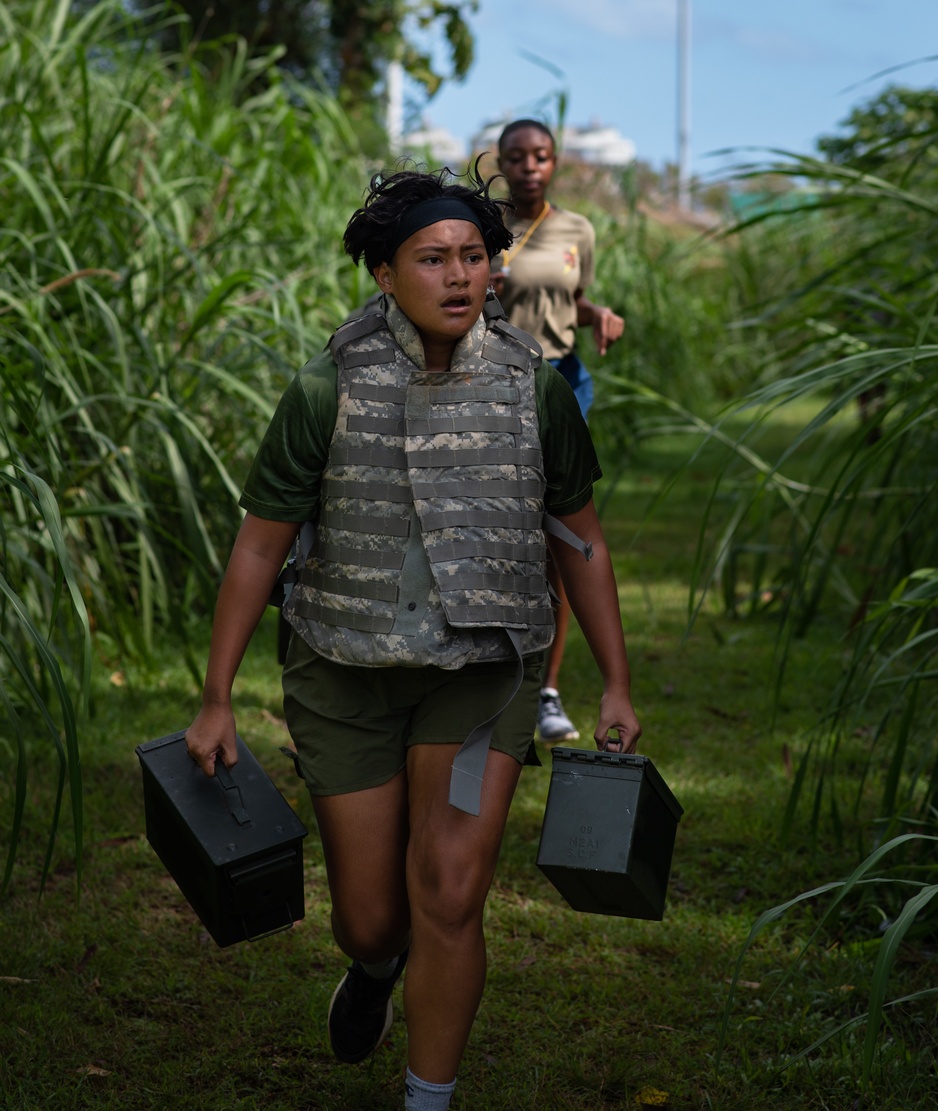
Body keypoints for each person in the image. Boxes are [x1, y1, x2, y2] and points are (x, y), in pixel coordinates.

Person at [184, 162, 641, 1111]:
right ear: (385, 275)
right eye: (433, 258)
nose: (460, 275)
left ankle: (427, 1097)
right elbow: (261, 546)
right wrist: (218, 694)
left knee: (449, 889)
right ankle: (374, 968)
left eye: (475, 255)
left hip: (482, 672)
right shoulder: (328, 387)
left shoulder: (533, 389)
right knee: (371, 916)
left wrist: (614, 685)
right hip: (343, 670)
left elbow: (580, 540)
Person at [491, 118, 625, 745]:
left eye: (540, 156)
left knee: (556, 536)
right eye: (516, 157)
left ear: (554, 162)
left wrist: (598, 313)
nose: (529, 167)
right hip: (495, 385)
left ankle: (546, 689)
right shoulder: (479, 226)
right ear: (502, 162)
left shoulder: (576, 230)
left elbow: (568, 299)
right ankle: (484, 676)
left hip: (563, 385)